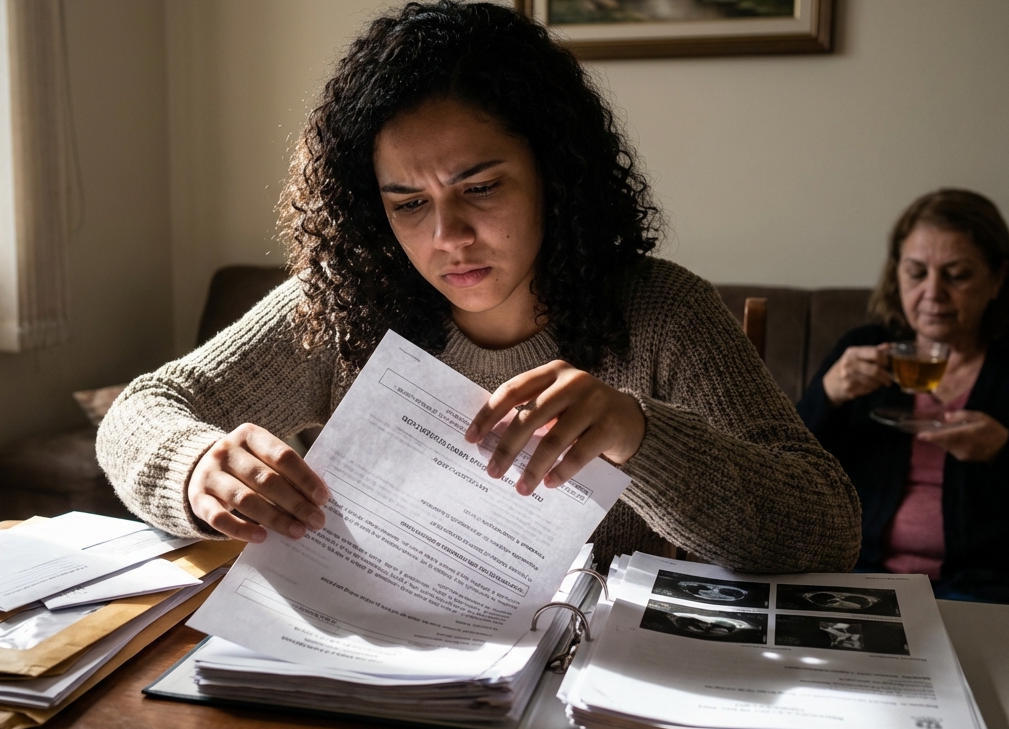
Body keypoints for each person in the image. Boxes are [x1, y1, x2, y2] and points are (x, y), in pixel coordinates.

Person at [98, 1, 860, 574]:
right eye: (408, 203)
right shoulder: (342, 304)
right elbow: (141, 411)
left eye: (482, 187)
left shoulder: (663, 313)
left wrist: (637, 434)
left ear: (554, 178)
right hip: (376, 675)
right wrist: (198, 468)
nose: (447, 237)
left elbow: (827, 525)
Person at [797, 189, 1009, 610]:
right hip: (864, 578)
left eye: (957, 274)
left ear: (997, 279)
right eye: (915, 272)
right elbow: (782, 468)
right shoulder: (862, 350)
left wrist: (1005, 451)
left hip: (997, 588)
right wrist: (827, 395)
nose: (933, 293)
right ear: (896, 275)